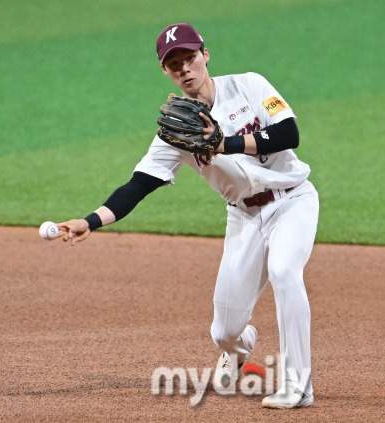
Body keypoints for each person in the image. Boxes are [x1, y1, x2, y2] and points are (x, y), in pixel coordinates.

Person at [56, 23, 319, 409]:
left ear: (205, 55)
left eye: (190, 58)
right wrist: (90, 220)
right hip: (244, 217)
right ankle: (239, 348)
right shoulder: (175, 133)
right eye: (174, 63)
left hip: (293, 199)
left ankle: (299, 386)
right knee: (224, 331)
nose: (184, 68)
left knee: (284, 271)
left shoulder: (250, 85)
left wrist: (223, 143)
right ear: (165, 71)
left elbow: (289, 134)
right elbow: (138, 184)